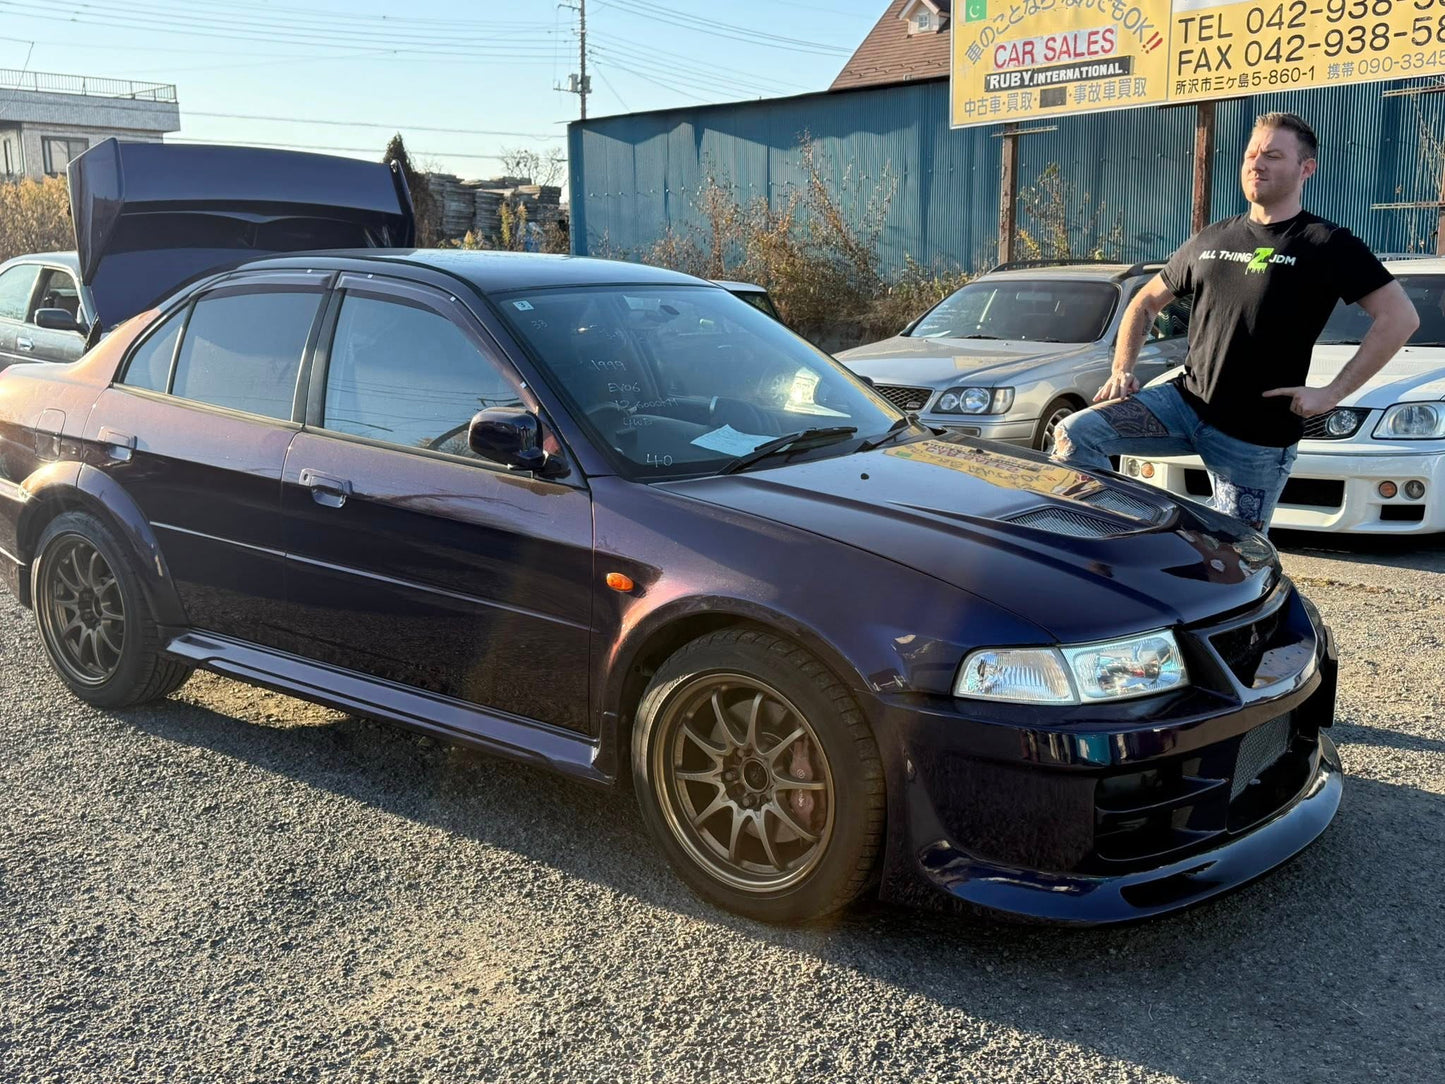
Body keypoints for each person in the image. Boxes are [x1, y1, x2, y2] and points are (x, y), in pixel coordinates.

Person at [1051, 112, 1420, 532]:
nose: (1256, 164)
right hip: (1183, 403)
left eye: (1273, 156)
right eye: (1251, 154)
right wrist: (1122, 370)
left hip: (1255, 435)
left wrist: (1331, 393)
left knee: (1234, 555)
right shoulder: (1213, 238)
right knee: (1075, 435)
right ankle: (1116, 544)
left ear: (1306, 168)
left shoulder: (1327, 243)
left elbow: (1399, 318)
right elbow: (1145, 301)